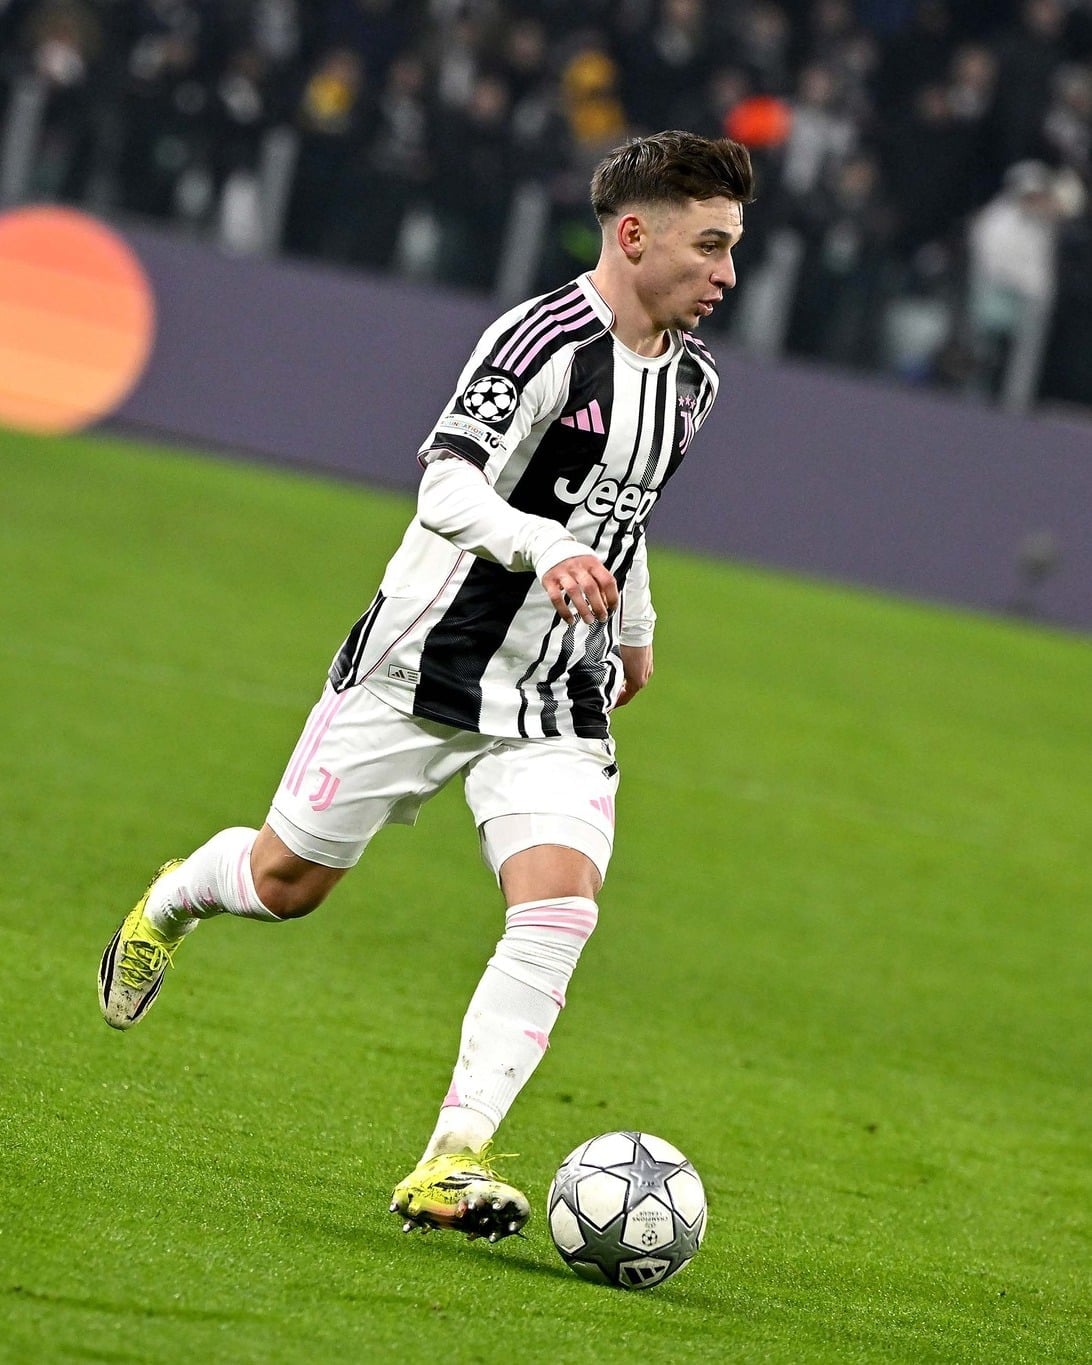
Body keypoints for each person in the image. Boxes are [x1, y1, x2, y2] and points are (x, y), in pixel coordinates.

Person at [98, 128, 754, 1242]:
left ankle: (453, 1158)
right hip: (423, 664)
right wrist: (546, 547)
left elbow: (626, 509)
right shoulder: (543, 341)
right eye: (710, 246)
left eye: (734, 249)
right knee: (285, 882)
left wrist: (636, 627)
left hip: (553, 686)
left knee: (559, 906)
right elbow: (445, 485)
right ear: (636, 236)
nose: (727, 274)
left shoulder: (692, 382)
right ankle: (174, 896)